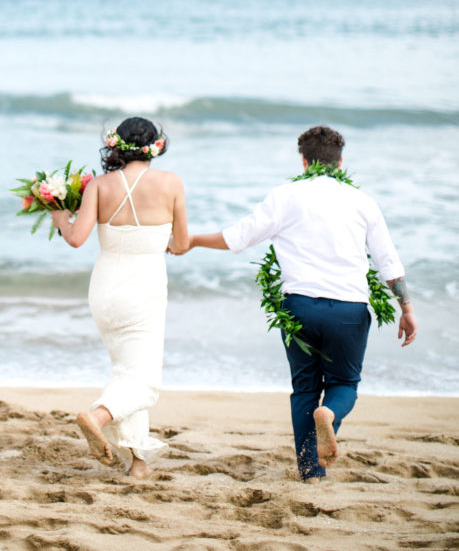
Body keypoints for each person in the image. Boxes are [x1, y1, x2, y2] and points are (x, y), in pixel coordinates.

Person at [169, 124, 417, 482]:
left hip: (299, 307)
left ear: (303, 161)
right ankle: (329, 414)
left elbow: (238, 237)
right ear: (341, 161)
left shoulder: (284, 196)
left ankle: (310, 470)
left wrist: (191, 240)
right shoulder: (363, 203)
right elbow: (388, 262)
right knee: (344, 384)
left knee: (304, 387)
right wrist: (406, 309)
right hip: (349, 308)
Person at [50, 116, 189, 479]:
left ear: (117, 146)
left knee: (128, 370)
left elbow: (76, 238)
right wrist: (167, 244)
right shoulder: (172, 183)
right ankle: (97, 416)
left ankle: (138, 463)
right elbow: (182, 243)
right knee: (143, 380)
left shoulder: (100, 185)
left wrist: (59, 216)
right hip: (144, 288)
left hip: (106, 289)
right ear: (156, 146)